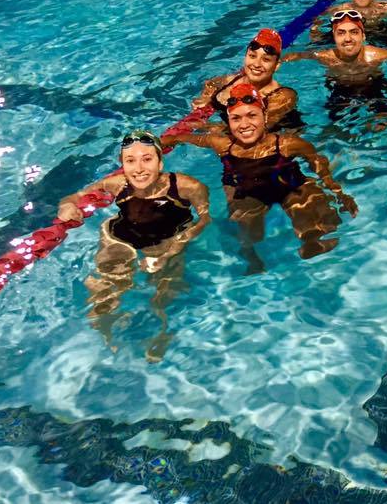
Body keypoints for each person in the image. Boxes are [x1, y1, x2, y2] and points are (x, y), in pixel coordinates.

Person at [57, 129, 211, 361]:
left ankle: (161, 332)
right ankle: (106, 334)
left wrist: (173, 250)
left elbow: (205, 219)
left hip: (167, 242)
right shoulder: (117, 183)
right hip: (122, 238)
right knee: (104, 290)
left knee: (164, 292)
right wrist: (67, 207)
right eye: (131, 161)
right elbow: (74, 196)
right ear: (123, 165)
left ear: (160, 163)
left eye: (147, 159)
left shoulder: (186, 186)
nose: (138, 169)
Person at [161, 84, 357, 262]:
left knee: (309, 203)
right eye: (236, 118)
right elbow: (191, 138)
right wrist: (164, 142)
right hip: (248, 192)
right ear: (229, 122)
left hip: (289, 185)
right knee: (246, 227)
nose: (244, 124)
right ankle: (252, 257)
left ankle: (313, 242)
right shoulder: (223, 144)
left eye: (251, 115)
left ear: (264, 117)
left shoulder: (287, 143)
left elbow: (317, 163)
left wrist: (338, 192)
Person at [287, 10, 387, 130]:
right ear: (334, 37)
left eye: (354, 32)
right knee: (337, 128)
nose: (348, 38)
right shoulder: (325, 56)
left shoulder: (377, 55)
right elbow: (294, 55)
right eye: (341, 33)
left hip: (375, 87)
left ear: (363, 36)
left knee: (384, 124)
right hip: (340, 90)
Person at [193, 28, 302, 131]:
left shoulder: (282, 96)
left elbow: (255, 130)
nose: (256, 64)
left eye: (266, 59)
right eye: (252, 56)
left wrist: (208, 127)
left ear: (276, 66)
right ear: (245, 57)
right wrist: (206, 97)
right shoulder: (232, 80)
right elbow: (210, 83)